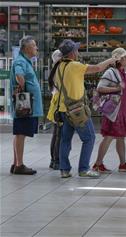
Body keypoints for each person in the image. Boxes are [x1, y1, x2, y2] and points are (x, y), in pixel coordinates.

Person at [55, 39, 117, 178]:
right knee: (89, 138)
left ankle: (64, 169)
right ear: (72, 53)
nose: (78, 52)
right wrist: (110, 60)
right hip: (77, 110)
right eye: (76, 50)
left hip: (64, 109)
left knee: (65, 140)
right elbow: (98, 68)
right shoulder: (75, 66)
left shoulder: (58, 66)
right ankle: (83, 169)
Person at [92, 48, 126, 173]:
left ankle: (122, 164)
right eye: (124, 57)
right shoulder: (111, 72)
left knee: (120, 137)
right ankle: (98, 163)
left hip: (121, 110)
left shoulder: (123, 73)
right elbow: (100, 88)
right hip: (114, 110)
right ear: (118, 59)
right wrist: (117, 88)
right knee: (109, 136)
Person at [10, 35, 43, 175]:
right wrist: (22, 86)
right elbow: (19, 75)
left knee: (19, 134)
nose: (36, 48)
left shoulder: (26, 61)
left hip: (27, 105)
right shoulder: (20, 61)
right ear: (27, 48)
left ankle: (15, 162)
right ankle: (19, 165)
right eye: (34, 45)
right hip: (24, 104)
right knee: (21, 133)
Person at [47, 49, 62, 170]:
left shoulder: (54, 70)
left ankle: (54, 160)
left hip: (55, 103)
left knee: (56, 133)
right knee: (59, 134)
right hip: (59, 104)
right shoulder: (59, 70)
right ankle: (56, 160)